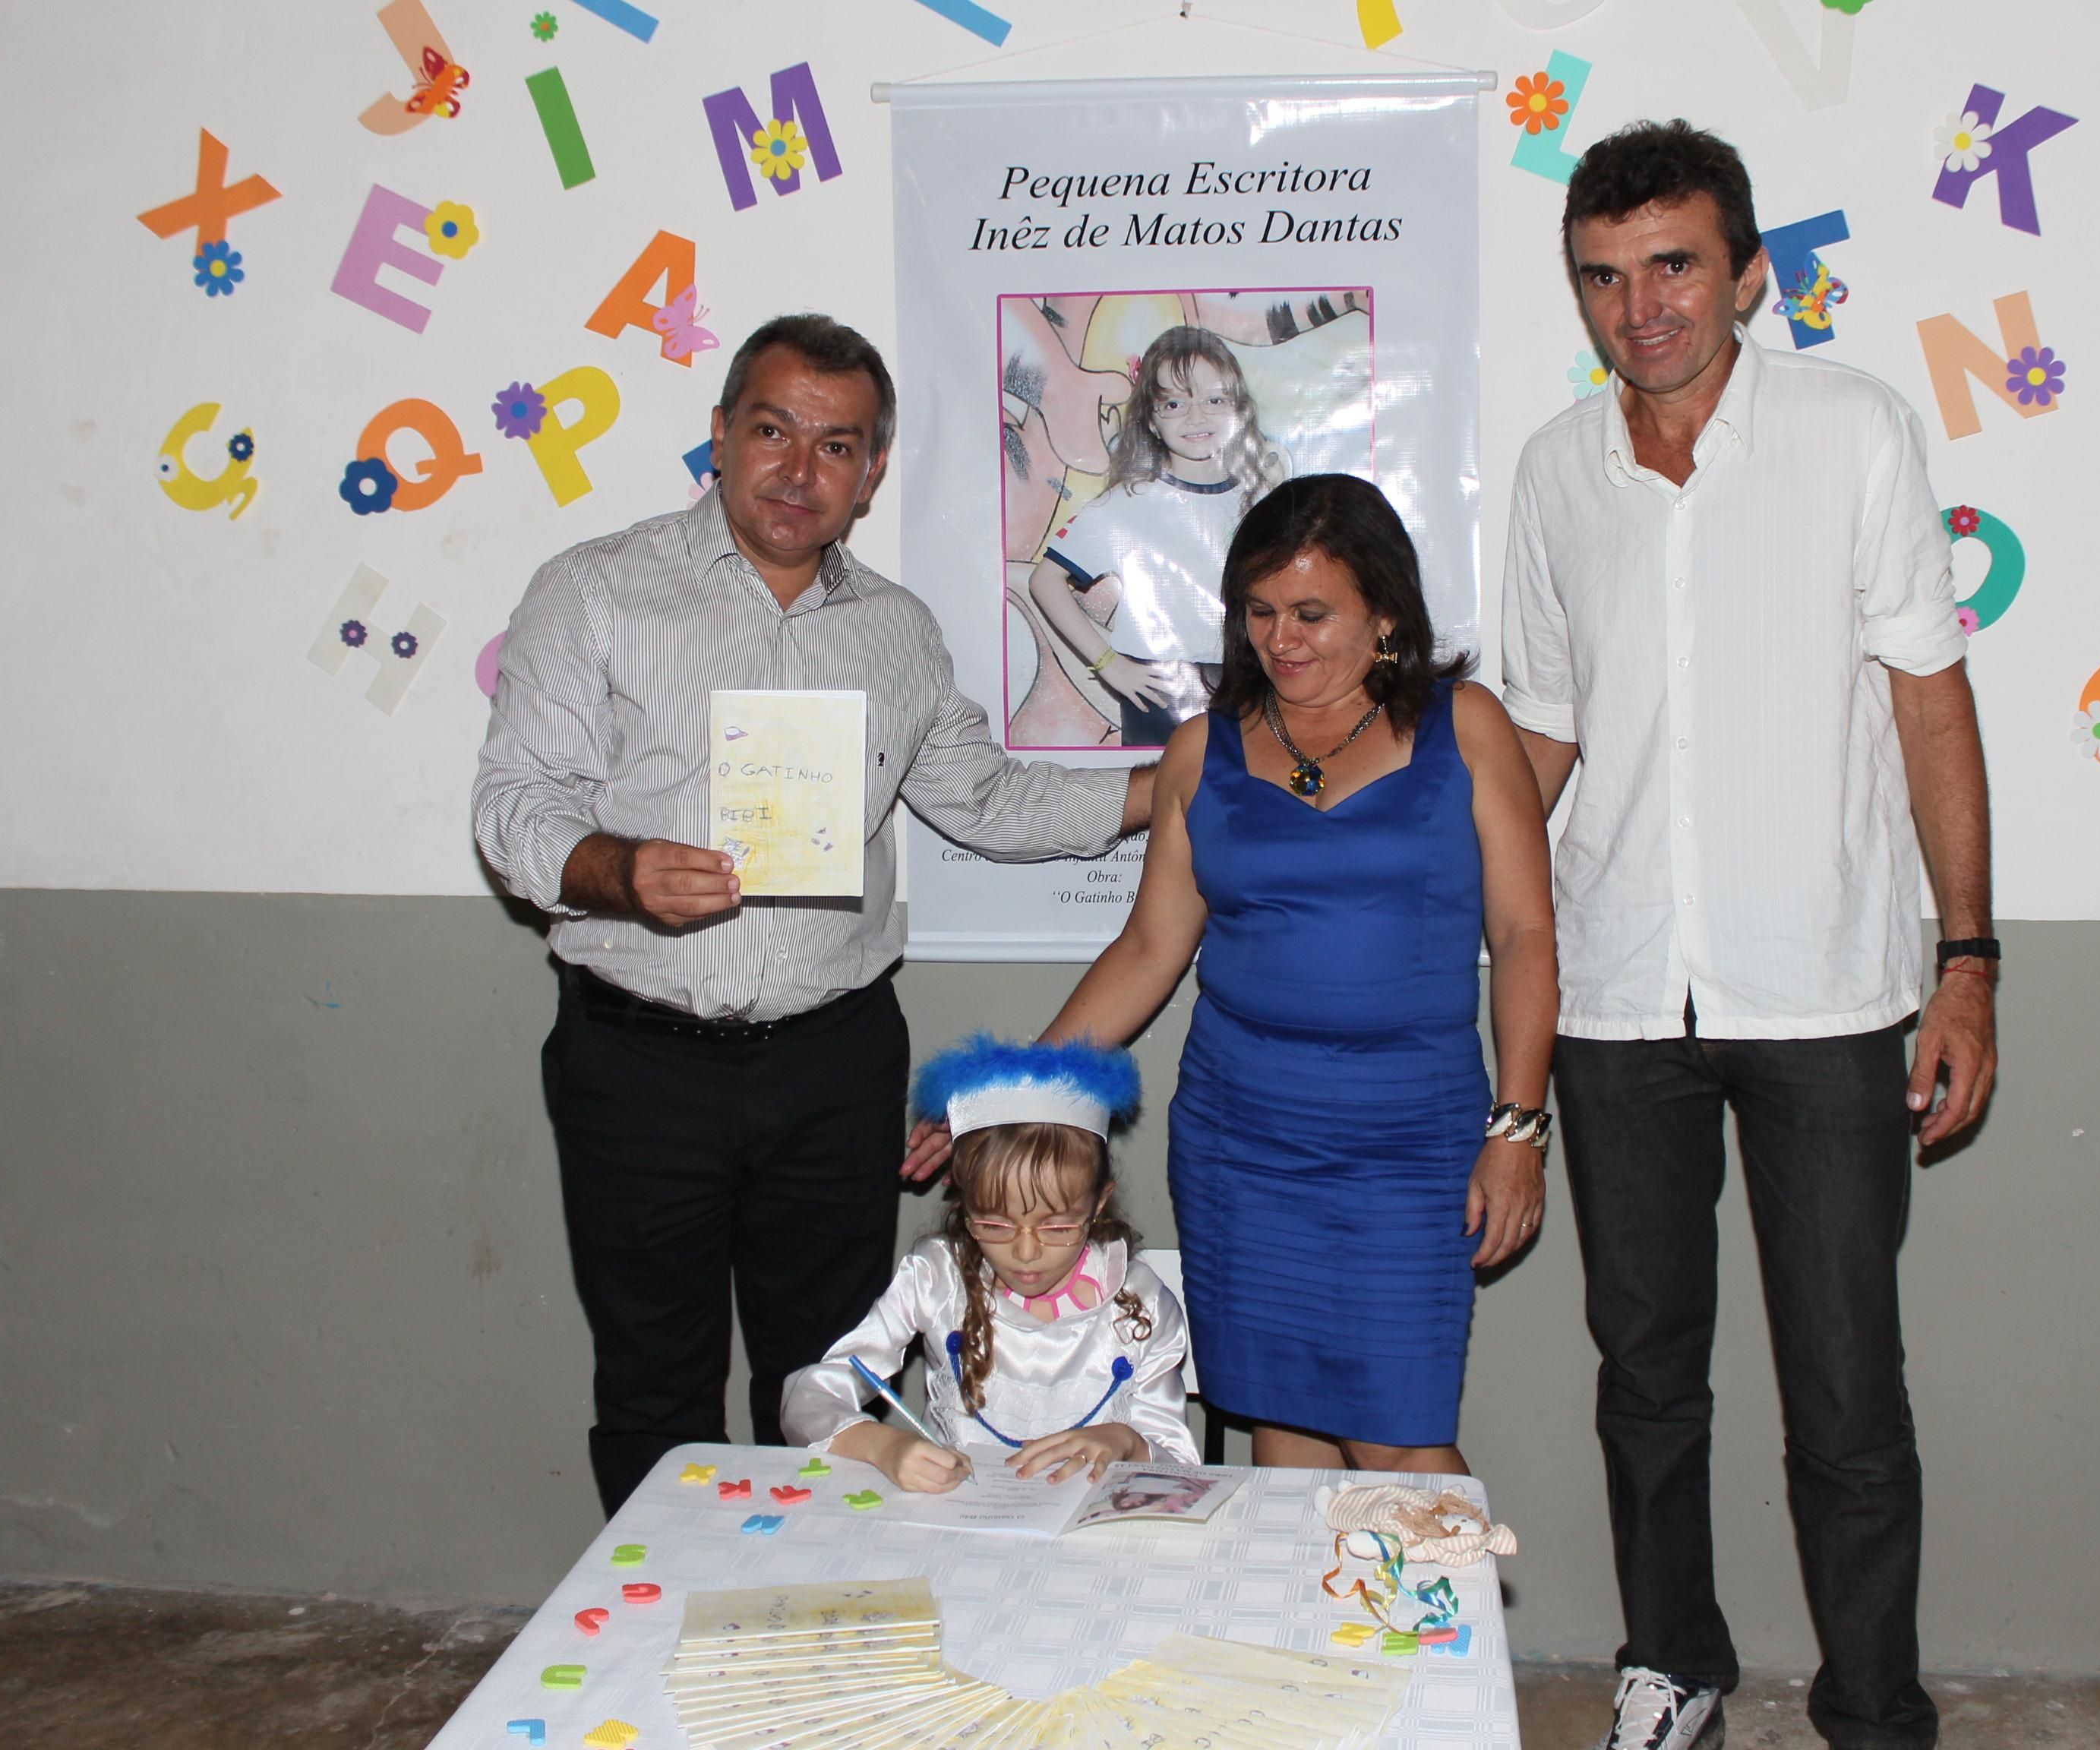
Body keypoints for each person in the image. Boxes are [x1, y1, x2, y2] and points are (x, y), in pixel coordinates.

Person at [472, 313, 1153, 1516]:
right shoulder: (595, 592)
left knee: (835, 1384)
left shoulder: (896, 630)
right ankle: (665, 1618)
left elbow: (988, 800)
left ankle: (828, 1612)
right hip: (639, 1063)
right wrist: (618, 869)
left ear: (871, 471)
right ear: (722, 435)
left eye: (836, 446)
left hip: (834, 1067)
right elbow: (514, 806)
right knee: (654, 1382)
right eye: (773, 432)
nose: (798, 471)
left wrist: (1177, 787)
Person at [1498, 123, 1997, 1750]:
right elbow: (1544, 736)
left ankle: (1874, 1707)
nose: (1639, 307)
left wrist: (1968, 963)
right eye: (1603, 276)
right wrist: (1421, 898)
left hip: (1826, 990)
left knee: (1848, 1388)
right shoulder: (1556, 472)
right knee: (1645, 1374)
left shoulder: (1853, 431)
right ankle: (1673, 1665)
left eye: (1674, 266)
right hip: (1616, 993)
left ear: (1749, 275)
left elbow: (1929, 702)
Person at [1037, 472, 1558, 1474]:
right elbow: (1149, 949)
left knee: (1398, 1441)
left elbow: (1527, 935)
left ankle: (1454, 1590)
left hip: (1411, 1145)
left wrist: (1519, 1128)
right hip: (1241, 1143)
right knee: (1286, 1433)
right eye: (1261, 611)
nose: (1281, 640)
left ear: (1386, 615)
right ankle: (1307, 1595)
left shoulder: (1468, 726)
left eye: (1312, 614)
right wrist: (1013, 1086)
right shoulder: (1203, 750)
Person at [780, 1036, 1195, 1487]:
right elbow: (807, 1398)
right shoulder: (936, 1279)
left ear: (1098, 1204)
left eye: (1057, 1227)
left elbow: (1182, 1468)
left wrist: (1128, 1442)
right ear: (965, 1203)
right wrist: (883, 1446)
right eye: (995, 1225)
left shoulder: (1142, 1302)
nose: (1025, 1253)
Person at [1026, 326, 1287, 747]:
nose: (1196, 417)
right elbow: (1045, 580)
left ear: (1239, 407)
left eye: (1214, 400)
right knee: (1164, 792)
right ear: (1151, 418)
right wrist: (1110, 665)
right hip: (1161, 692)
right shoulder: (1127, 503)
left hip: (1253, 679)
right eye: (1174, 403)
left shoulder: (1266, 499)